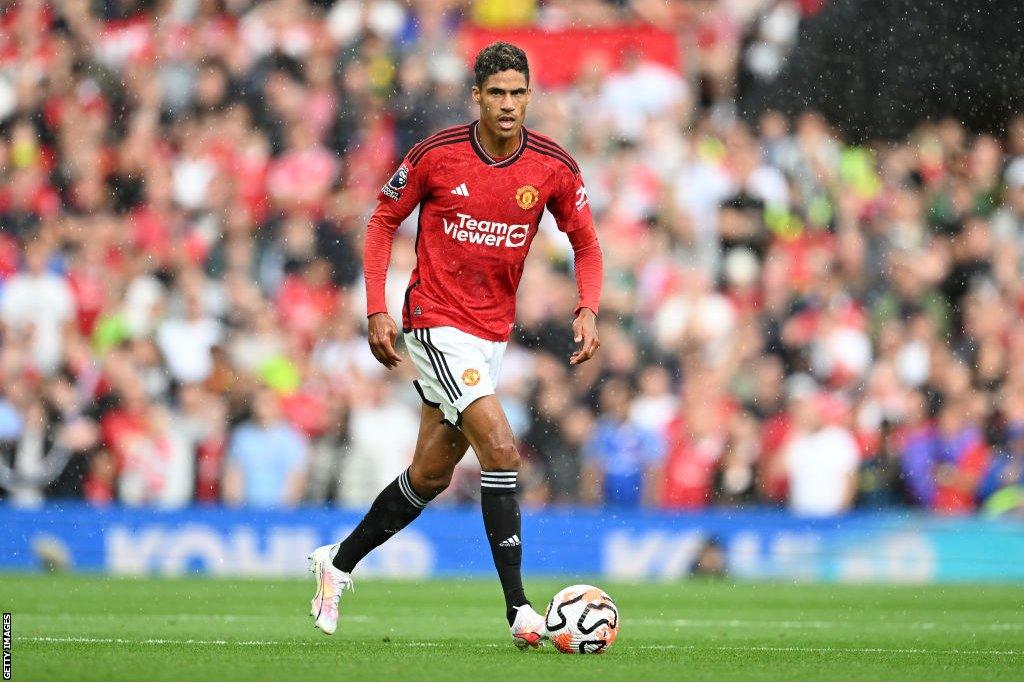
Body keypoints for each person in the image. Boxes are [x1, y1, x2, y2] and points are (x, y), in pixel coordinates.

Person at [306, 42, 603, 648]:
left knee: (431, 474)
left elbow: (587, 243)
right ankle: (520, 609)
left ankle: (336, 561)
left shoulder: (552, 167)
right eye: (496, 93)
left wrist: (588, 307)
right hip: (436, 323)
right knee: (501, 446)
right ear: (477, 96)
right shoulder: (436, 157)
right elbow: (382, 221)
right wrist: (375, 309)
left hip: (492, 334)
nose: (507, 104)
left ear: (530, 95)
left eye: (518, 93)